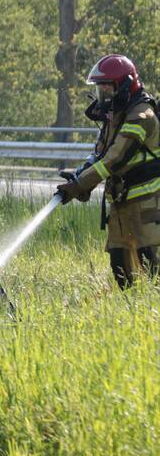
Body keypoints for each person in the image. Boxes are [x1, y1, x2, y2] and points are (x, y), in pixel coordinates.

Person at [57, 54, 160, 287]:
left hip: (147, 206)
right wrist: (80, 177)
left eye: (107, 87)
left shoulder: (141, 115)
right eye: (100, 88)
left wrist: (80, 185)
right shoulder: (115, 116)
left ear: (125, 85)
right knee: (122, 272)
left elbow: (115, 158)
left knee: (153, 270)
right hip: (121, 205)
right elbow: (100, 155)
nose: (103, 94)